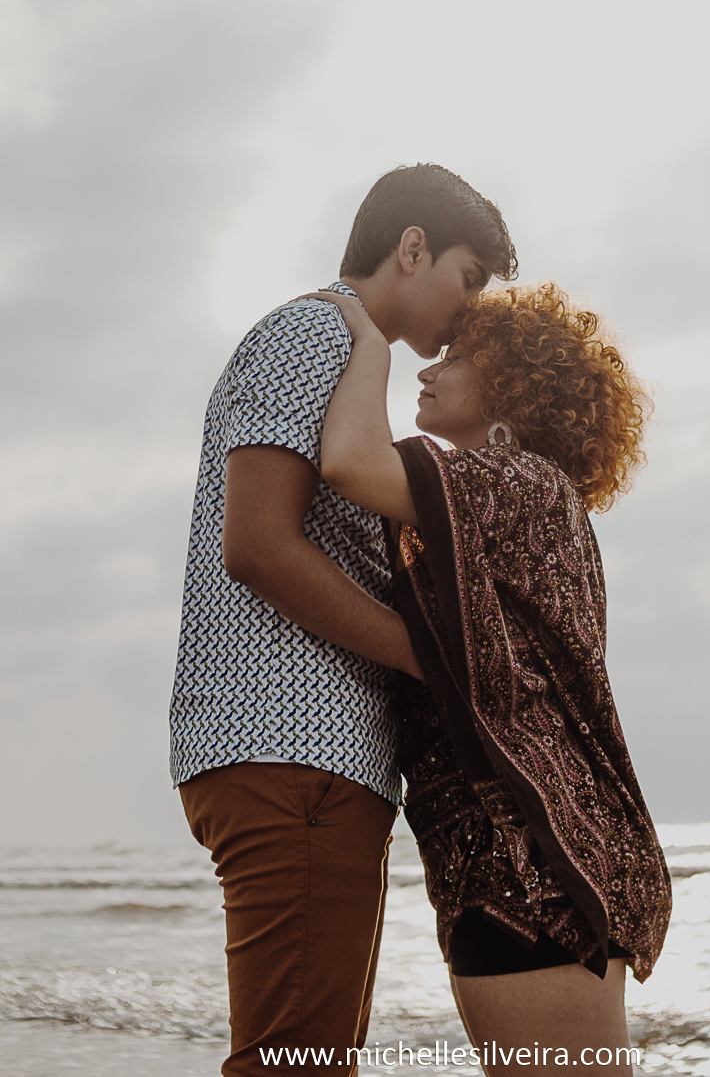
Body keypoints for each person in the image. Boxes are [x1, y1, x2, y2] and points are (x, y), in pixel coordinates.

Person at [168, 164, 517, 1076]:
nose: (471, 308)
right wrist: (427, 659)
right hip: (295, 747)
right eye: (469, 278)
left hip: (310, 755)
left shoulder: (343, 352)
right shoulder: (312, 334)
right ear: (411, 250)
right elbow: (260, 547)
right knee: (298, 1065)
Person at [305, 282, 672, 1077]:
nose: (425, 373)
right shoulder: (515, 498)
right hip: (517, 864)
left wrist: (368, 343)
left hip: (529, 868)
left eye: (454, 360)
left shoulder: (515, 483)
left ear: (512, 387)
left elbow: (349, 462)